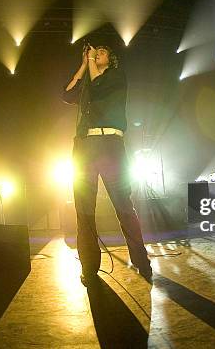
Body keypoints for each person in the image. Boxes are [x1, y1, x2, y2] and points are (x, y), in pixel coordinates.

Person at [62, 44, 152, 286]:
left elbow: (100, 85)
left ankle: (142, 262)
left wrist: (90, 61)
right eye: (94, 52)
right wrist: (83, 65)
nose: (95, 54)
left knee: (123, 205)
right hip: (85, 147)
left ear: (110, 60)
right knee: (84, 210)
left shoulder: (115, 77)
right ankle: (89, 269)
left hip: (111, 145)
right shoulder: (88, 83)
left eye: (101, 52)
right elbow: (67, 94)